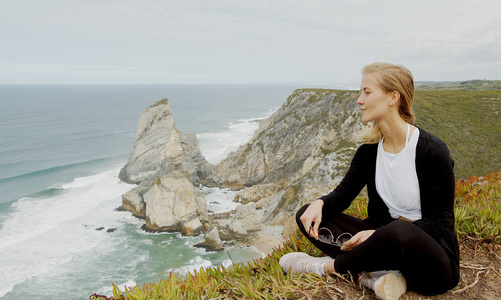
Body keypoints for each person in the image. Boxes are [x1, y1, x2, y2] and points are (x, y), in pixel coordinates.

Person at [279, 62, 460, 300]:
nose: (359, 100)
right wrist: (320, 203)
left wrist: (378, 234)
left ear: (392, 97)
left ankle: (325, 267)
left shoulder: (432, 151)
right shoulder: (369, 153)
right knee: (308, 215)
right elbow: (343, 195)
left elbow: (440, 222)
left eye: (367, 91)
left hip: (432, 264)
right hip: (382, 244)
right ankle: (375, 276)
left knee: (399, 231)